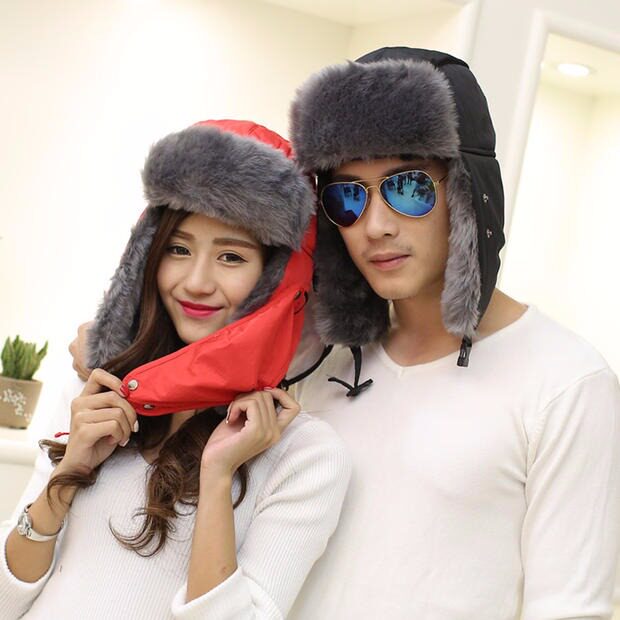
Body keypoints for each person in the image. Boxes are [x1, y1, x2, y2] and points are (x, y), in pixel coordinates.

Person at [281, 47, 620, 619]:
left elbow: (570, 608)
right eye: (347, 195)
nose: (376, 227)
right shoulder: (320, 362)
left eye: (408, 188)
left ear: (465, 194)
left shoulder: (567, 381)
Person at [0, 120, 351, 619]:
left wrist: (218, 475)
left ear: (275, 278)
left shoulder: (304, 454)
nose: (196, 281)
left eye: (231, 256)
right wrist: (70, 471)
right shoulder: (95, 391)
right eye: (178, 249)